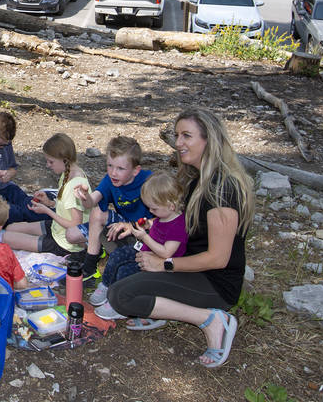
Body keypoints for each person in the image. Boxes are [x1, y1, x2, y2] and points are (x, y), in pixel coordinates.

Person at [107, 108, 255, 369]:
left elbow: (218, 259)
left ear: (209, 140)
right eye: (177, 135)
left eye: (187, 136)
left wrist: (165, 265)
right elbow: (171, 222)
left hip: (214, 282)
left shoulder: (222, 189)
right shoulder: (193, 178)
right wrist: (137, 230)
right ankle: (162, 309)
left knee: (121, 296)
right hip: (184, 262)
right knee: (127, 267)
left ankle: (211, 320)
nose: (178, 143)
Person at [90, 172, 188, 320]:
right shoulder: (164, 215)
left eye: (154, 209)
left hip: (159, 265)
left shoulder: (178, 226)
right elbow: (151, 222)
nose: (150, 211)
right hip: (145, 252)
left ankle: (118, 305)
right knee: (118, 254)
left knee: (125, 271)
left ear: (171, 206)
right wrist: (143, 224)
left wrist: (144, 237)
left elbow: (167, 253)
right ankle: (106, 285)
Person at [69, 136, 152, 279]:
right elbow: (91, 202)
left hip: (147, 229)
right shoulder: (110, 180)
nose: (113, 172)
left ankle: (91, 263)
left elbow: (163, 218)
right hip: (122, 224)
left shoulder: (149, 181)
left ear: (135, 171)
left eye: (120, 168)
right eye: (110, 166)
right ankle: (96, 254)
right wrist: (84, 196)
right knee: (71, 234)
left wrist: (131, 226)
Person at [0, 133, 90, 258]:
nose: (48, 165)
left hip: (65, 244)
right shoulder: (68, 173)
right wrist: (49, 203)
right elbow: (67, 208)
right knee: (10, 228)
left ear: (64, 159)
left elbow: (75, 226)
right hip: (57, 228)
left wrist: (47, 211)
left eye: (51, 161)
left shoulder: (75, 185)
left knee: (7, 237)